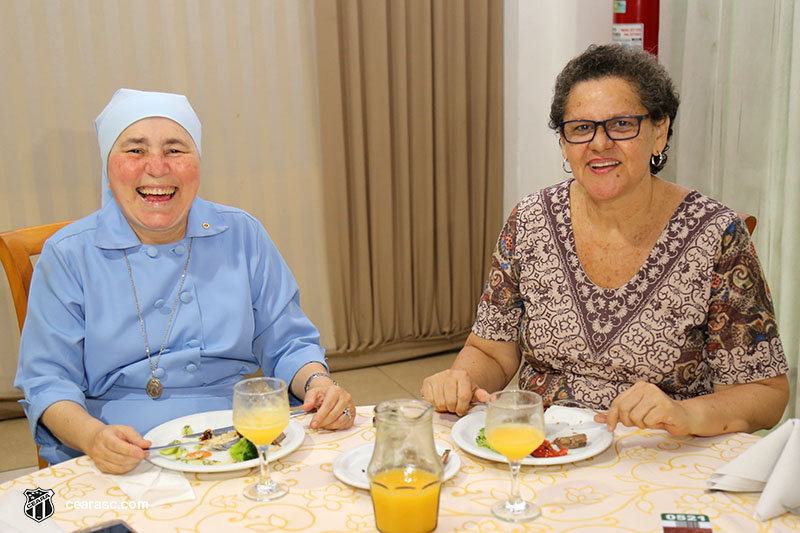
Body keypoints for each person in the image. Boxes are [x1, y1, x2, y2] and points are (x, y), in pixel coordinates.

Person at [422, 44, 789, 437]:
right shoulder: (530, 221)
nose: (599, 143)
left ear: (659, 131)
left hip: (659, 455)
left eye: (621, 125)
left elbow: (766, 392)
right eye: (581, 128)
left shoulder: (716, 235)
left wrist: (687, 414)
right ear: (564, 143)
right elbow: (490, 351)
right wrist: (460, 380)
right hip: (545, 448)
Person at [15, 89, 355, 473]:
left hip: (241, 430)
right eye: (135, 150)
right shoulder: (69, 254)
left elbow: (288, 339)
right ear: (108, 169)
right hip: (121, 442)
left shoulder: (241, 233)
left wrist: (317, 384)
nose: (157, 167)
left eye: (175, 150)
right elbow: (48, 380)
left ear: (198, 163)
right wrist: (93, 436)